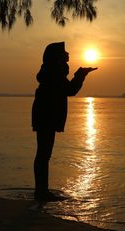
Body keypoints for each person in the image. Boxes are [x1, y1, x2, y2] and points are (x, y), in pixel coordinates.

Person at [32, 41, 97, 201]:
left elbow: (67, 90)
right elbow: (70, 90)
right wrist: (81, 75)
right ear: (56, 57)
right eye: (64, 52)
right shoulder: (54, 72)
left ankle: (41, 191)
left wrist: (80, 74)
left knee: (43, 154)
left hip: (44, 115)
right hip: (46, 116)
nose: (68, 54)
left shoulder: (52, 71)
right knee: (43, 154)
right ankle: (41, 192)